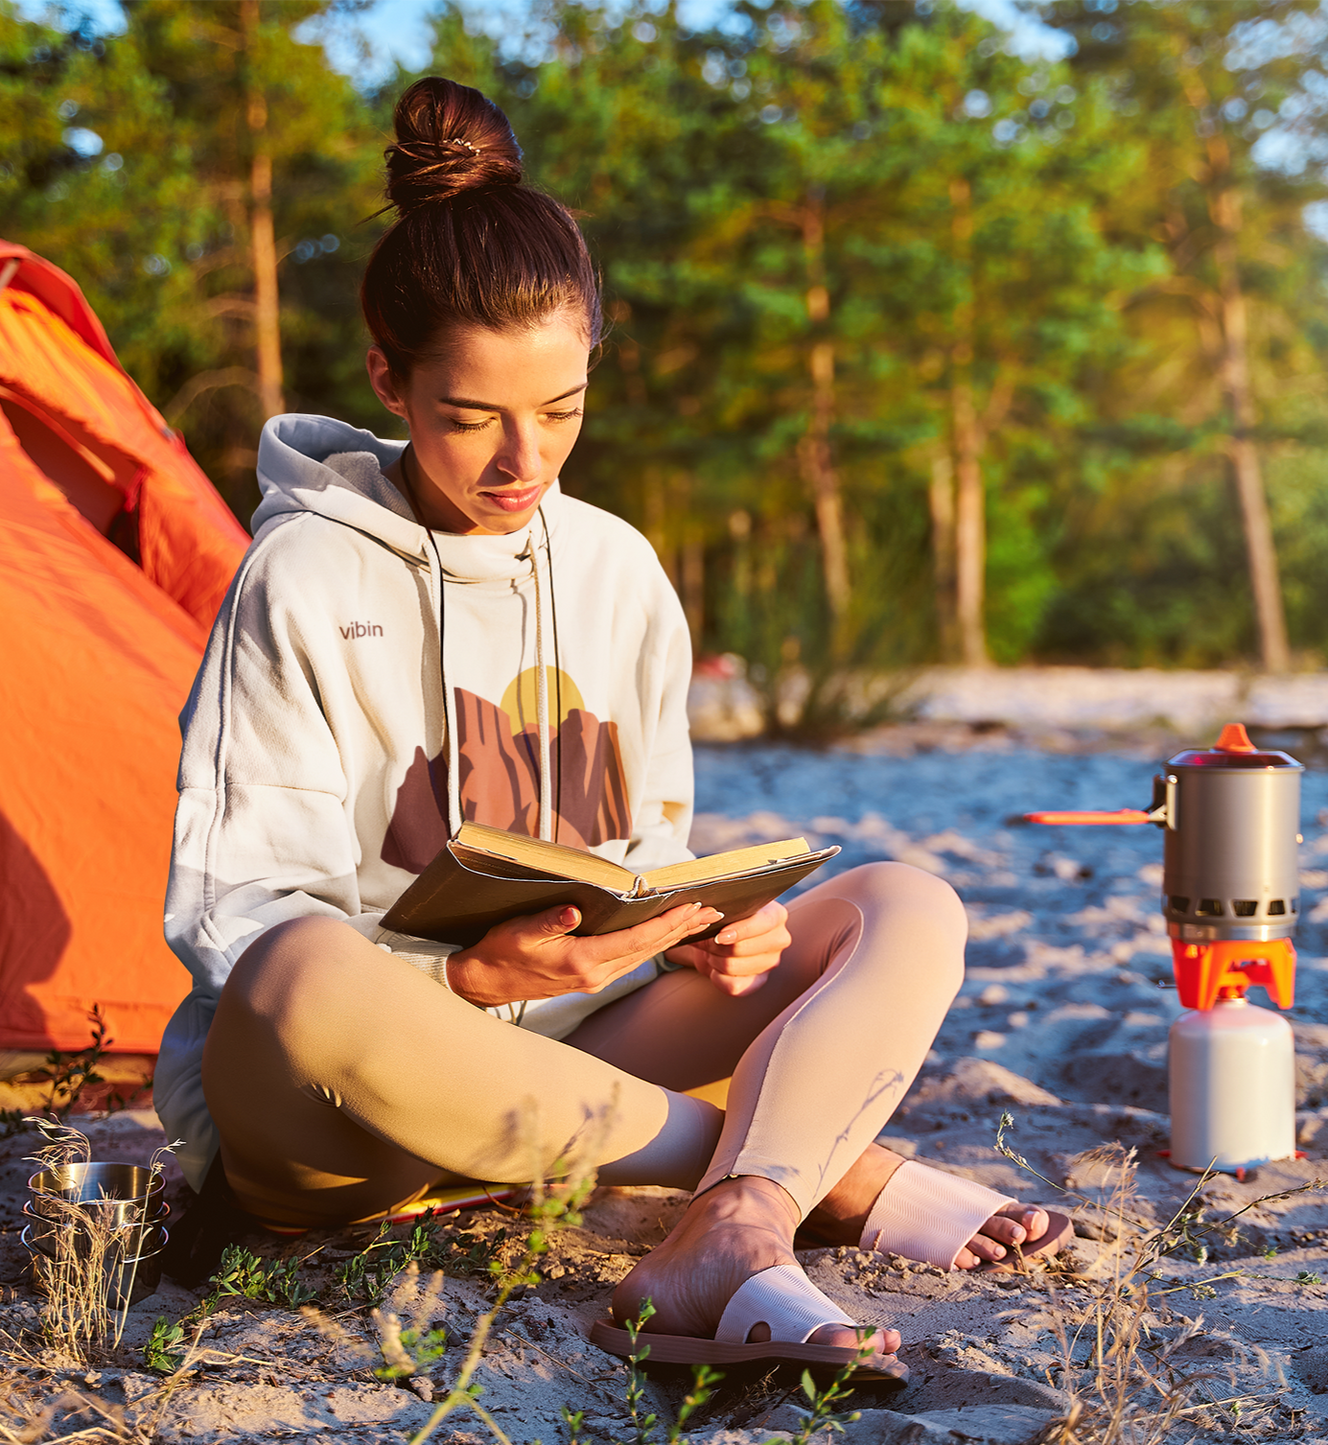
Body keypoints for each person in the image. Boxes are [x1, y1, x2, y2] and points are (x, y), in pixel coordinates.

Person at [153, 76, 1069, 1379]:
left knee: (903, 905)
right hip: (346, 1112)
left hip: (572, 1048)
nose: (524, 459)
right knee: (298, 969)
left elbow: (642, 840)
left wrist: (696, 927)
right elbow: (229, 909)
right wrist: (464, 980)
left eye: (563, 411)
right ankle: (825, 1176)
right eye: (473, 417)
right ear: (387, 379)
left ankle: (737, 1219)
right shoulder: (299, 578)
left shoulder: (619, 573)